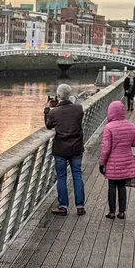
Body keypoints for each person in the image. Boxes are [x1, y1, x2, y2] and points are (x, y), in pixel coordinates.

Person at [45, 83, 86, 216]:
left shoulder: (54, 112)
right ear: (70, 95)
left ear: (58, 96)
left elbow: (48, 125)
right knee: (77, 175)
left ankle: (63, 206)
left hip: (61, 148)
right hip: (76, 148)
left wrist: (47, 110)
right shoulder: (79, 109)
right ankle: (80, 206)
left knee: (61, 177)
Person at [99, 100, 135, 220]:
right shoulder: (131, 125)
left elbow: (106, 148)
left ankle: (111, 212)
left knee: (112, 186)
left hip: (112, 163)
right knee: (122, 187)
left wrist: (102, 162)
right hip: (126, 161)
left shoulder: (109, 128)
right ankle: (122, 212)